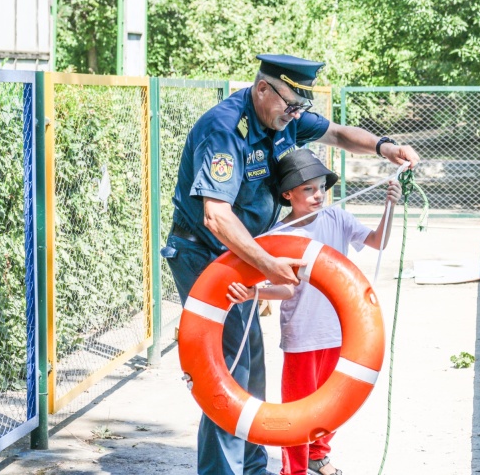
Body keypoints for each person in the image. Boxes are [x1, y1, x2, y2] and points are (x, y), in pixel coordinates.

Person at [161, 53, 419, 475]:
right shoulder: (224, 130)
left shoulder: (285, 117)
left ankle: (253, 467)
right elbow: (216, 216)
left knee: (251, 367)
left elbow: (337, 134)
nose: (296, 115)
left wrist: (385, 147)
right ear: (263, 89)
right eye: (290, 105)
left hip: (242, 255)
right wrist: (269, 263)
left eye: (301, 107)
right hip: (204, 253)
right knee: (227, 370)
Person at [226, 148, 401, 475]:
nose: (318, 194)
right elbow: (286, 287)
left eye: (321, 187)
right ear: (288, 194)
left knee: (333, 403)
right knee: (298, 410)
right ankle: (294, 470)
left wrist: (389, 206)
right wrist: (255, 292)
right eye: (308, 189)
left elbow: (378, 241)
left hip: (343, 332)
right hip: (303, 336)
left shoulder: (338, 219)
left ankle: (319, 454)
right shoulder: (279, 236)